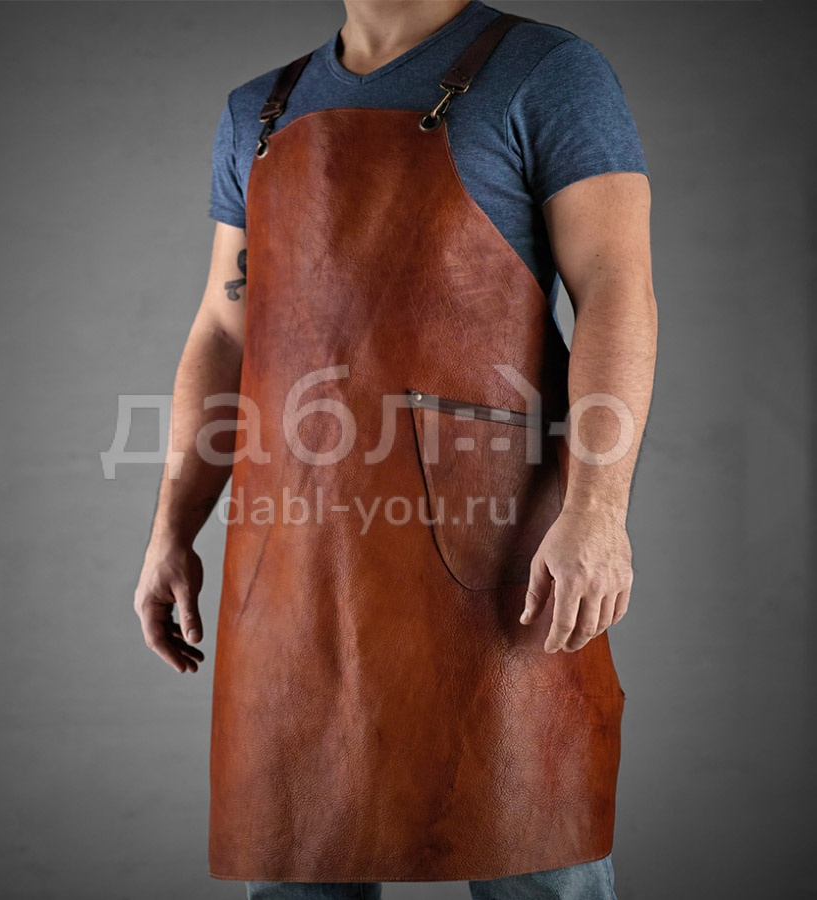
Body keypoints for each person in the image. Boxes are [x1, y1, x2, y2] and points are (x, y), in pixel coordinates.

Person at [133, 1, 657, 898]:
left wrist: (599, 511)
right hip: (294, 569)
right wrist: (170, 531)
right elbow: (223, 328)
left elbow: (617, 288)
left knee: (538, 850)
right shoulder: (256, 111)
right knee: (297, 865)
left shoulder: (545, 71)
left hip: (498, 553)